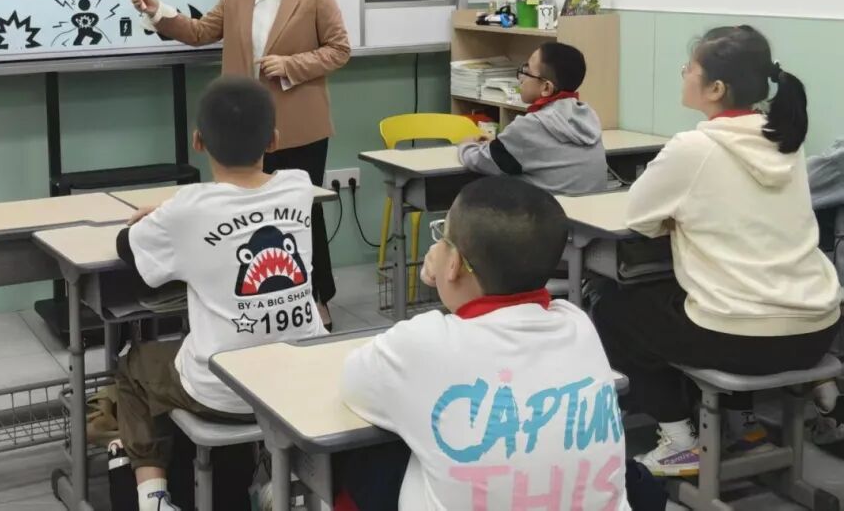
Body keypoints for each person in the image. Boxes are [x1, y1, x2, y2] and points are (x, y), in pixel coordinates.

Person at [593, 25, 843, 477]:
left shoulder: (694, 147)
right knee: (714, 297)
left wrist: (678, 219)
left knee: (615, 309)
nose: (683, 74)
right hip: (818, 329)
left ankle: (680, 441)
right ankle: (743, 423)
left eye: (689, 68)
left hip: (744, 340)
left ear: (716, 88)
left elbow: (639, 217)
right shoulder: (785, 140)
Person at [340, 178, 628, 510]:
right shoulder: (578, 324)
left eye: (442, 237)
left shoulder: (422, 344)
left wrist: (445, 278)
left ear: (453, 264)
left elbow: (353, 383)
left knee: (366, 458)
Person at [127, 0, 350, 329]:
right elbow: (198, 32)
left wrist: (291, 65)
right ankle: (256, 296)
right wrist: (158, 11)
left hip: (300, 124)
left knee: (303, 210)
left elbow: (339, 49)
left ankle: (317, 297)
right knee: (246, 209)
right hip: (245, 125)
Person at [113, 76, 326, 511]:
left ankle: (153, 498)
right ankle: (281, 481)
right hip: (302, 381)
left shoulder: (188, 208)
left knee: (134, 366)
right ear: (274, 140)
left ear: (198, 141)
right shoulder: (299, 185)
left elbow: (126, 247)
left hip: (220, 393)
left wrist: (165, 216)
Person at [457, 42, 607, 194]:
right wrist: (500, 143)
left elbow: (479, 161)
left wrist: (467, 144)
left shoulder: (530, 126)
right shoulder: (587, 116)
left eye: (526, 72)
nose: (521, 79)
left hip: (546, 208)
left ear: (546, 88)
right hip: (590, 208)